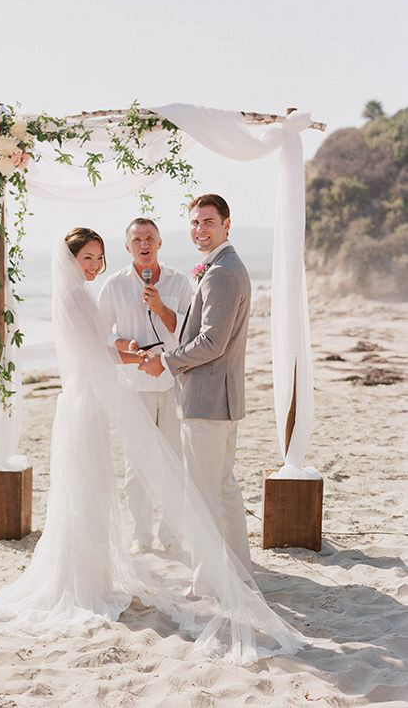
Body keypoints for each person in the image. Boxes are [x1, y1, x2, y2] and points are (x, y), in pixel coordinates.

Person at [0, 227, 304, 663]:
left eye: (98, 258)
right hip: (84, 406)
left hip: (84, 405)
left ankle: (93, 577)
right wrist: (142, 357)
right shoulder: (76, 297)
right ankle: (83, 583)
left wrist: (132, 350)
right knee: (88, 490)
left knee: (91, 491)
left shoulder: (80, 295)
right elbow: (99, 352)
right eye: (86, 259)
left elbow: (103, 345)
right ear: (70, 261)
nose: (93, 266)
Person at [139, 194, 252, 589]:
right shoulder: (224, 266)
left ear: (226, 224)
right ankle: (238, 574)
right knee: (222, 489)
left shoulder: (221, 272)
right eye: (194, 222)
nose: (199, 229)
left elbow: (212, 343)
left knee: (205, 495)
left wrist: (168, 361)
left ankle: (210, 582)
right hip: (220, 397)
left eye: (207, 221)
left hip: (208, 398)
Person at [98, 218, 193, 552]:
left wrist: (160, 306)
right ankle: (141, 535)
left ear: (160, 243)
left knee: (173, 462)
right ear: (127, 247)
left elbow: (188, 333)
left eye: (150, 238)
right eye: (137, 239)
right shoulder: (113, 285)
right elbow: (100, 333)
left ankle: (171, 535)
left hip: (170, 382)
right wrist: (124, 343)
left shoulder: (180, 283)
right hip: (132, 384)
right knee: (135, 465)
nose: (144, 244)